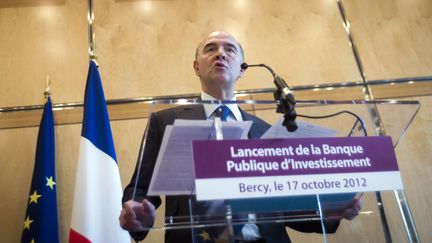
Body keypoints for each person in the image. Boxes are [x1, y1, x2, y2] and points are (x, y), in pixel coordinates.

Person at [120, 31, 362, 243]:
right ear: (196, 67)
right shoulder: (165, 121)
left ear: (242, 70)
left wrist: (327, 213)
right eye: (210, 49)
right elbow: (140, 189)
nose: (220, 54)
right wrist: (134, 211)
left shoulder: (266, 131)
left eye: (230, 50)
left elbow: (284, 208)